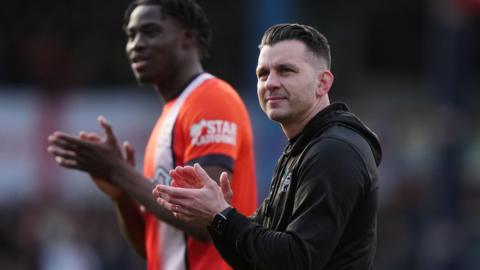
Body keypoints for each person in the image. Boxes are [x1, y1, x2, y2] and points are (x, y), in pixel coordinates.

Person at [152, 23, 383, 270]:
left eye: (285, 71)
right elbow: (258, 261)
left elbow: (295, 260)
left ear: (323, 83)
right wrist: (216, 216)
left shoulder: (333, 151)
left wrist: (222, 215)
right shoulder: (301, 149)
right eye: (263, 74)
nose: (270, 83)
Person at [47, 0, 258, 270]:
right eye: (131, 35)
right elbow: (150, 247)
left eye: (150, 31)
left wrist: (119, 170)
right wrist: (120, 192)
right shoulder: (167, 119)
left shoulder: (211, 98)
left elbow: (208, 218)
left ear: (187, 38)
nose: (136, 44)